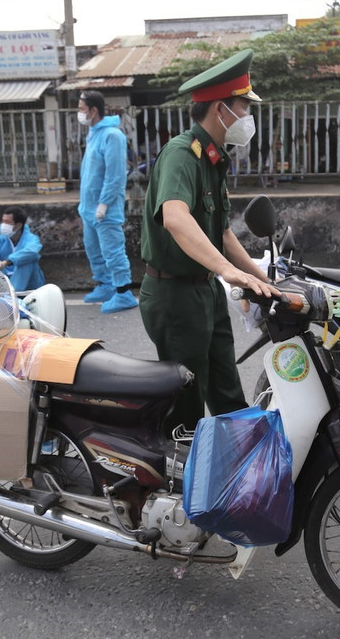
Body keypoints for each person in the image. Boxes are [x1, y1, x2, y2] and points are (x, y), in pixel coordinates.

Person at [139, 48, 277, 432]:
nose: (247, 118)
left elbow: (222, 233)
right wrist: (227, 272)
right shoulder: (182, 154)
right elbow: (175, 218)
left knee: (227, 392)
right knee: (186, 405)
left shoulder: (213, 159)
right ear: (221, 109)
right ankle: (181, 485)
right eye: (244, 108)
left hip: (205, 290)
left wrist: (260, 279)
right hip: (175, 294)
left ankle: (237, 476)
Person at [77, 90, 139, 314]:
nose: (79, 113)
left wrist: (104, 204)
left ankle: (123, 294)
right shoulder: (94, 133)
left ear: (94, 111)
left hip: (105, 209)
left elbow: (115, 175)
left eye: (82, 109)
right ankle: (105, 285)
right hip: (88, 208)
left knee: (113, 251)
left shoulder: (112, 135)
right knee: (94, 250)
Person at [0, 206, 45, 292]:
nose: (3, 225)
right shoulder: (1, 239)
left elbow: (31, 251)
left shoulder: (31, 239)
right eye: (3, 221)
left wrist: (5, 263)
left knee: (28, 260)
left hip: (29, 287)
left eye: (7, 222)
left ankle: (13, 295)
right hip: (4, 283)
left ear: (18, 225)